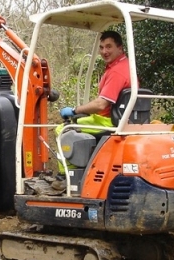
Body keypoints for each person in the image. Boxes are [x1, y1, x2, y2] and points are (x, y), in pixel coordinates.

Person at [53, 30, 132, 189]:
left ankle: (69, 177)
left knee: (62, 129)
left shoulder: (117, 71)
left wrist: (75, 110)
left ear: (120, 47)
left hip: (107, 121)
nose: (104, 51)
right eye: (101, 47)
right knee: (74, 125)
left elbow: (101, 104)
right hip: (116, 118)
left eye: (109, 47)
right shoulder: (122, 65)